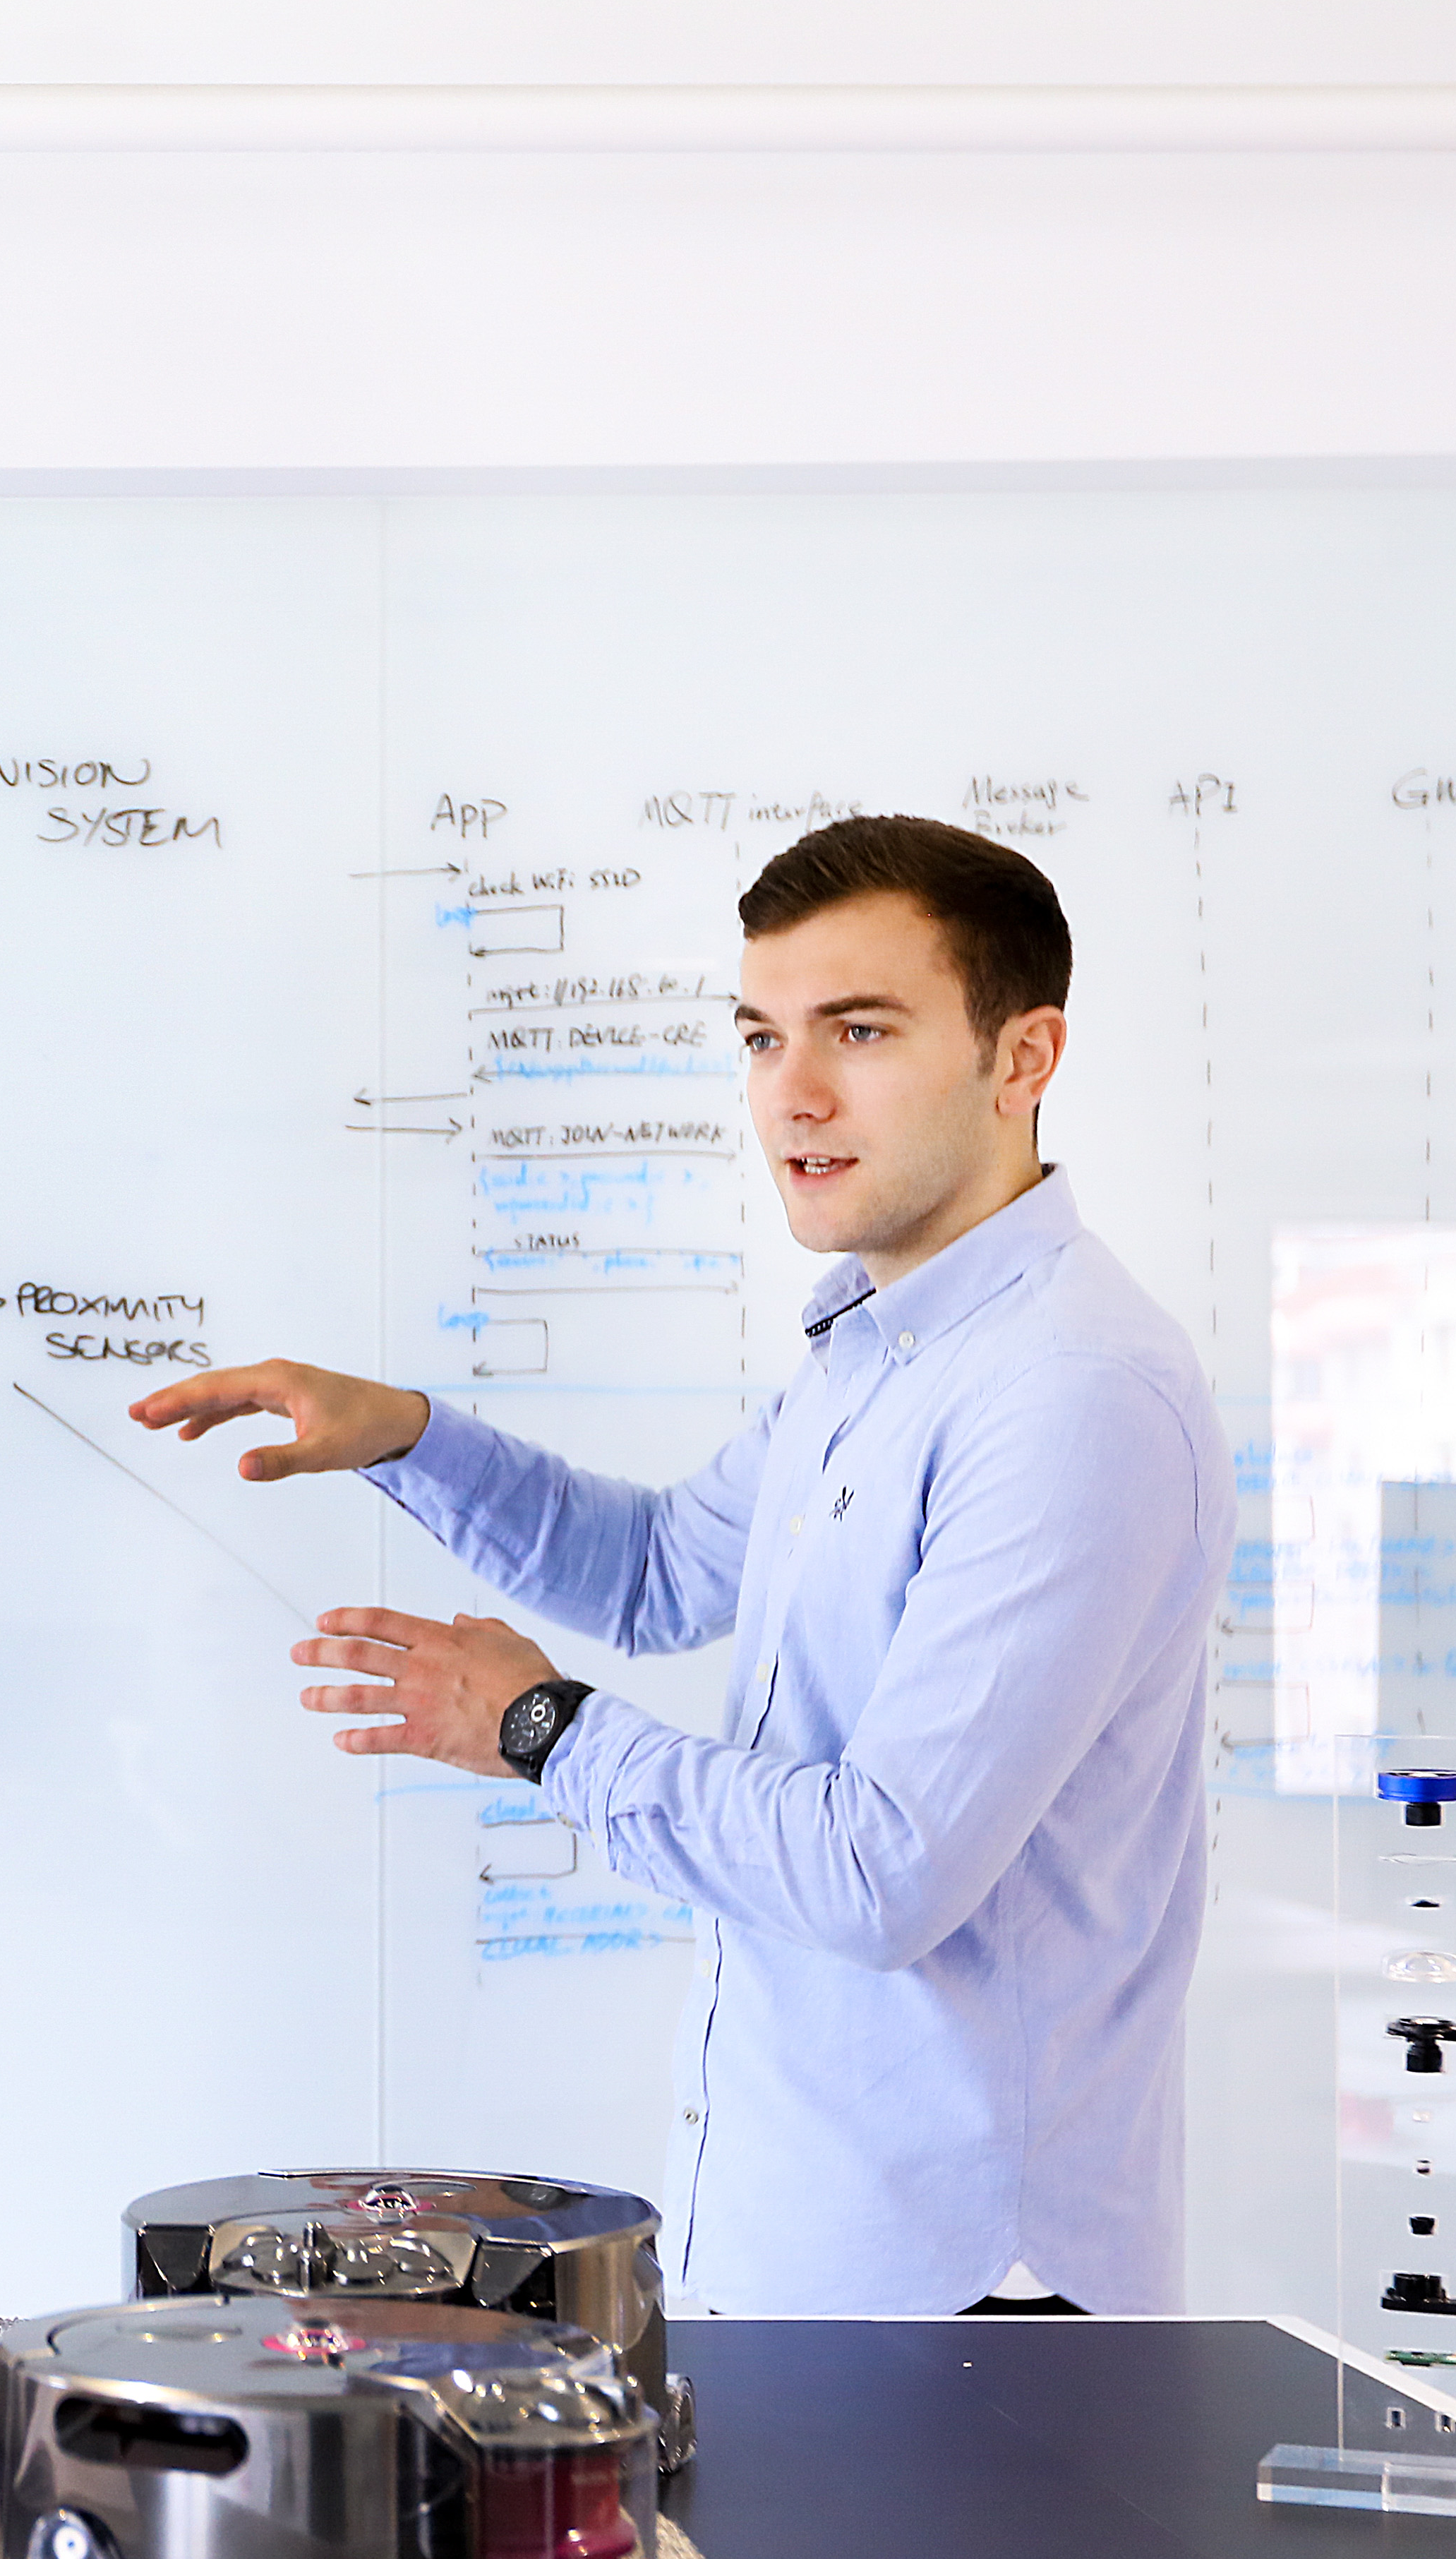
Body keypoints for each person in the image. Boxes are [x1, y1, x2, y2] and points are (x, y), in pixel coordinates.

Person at [136, 813, 1226, 2318]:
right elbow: (653, 1574)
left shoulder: (1069, 1394)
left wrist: (539, 1730)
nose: (797, 1093)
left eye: (860, 1029)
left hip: (972, 2302)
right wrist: (404, 1436)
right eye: (763, 1037)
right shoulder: (879, 1352)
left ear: (1022, 1058)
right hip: (805, 2252)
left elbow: (879, 1870)